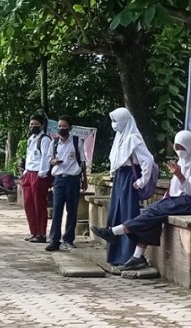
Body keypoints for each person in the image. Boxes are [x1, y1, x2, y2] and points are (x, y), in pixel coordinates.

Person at [92, 130, 191, 271]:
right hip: (188, 198)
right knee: (153, 212)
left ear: (189, 146)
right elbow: (176, 186)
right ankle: (137, 256)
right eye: (176, 147)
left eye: (182, 147)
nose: (179, 151)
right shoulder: (185, 159)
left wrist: (179, 175)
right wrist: (168, 194)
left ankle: (114, 232)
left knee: (155, 211)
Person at [95, 108, 155, 265]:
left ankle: (129, 255)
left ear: (124, 121)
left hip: (129, 178)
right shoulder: (120, 137)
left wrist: (142, 180)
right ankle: (115, 256)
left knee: (128, 213)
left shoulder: (133, 138)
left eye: (116, 121)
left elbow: (147, 160)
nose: (114, 124)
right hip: (119, 178)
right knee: (116, 213)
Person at [46, 116, 88, 251]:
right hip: (59, 179)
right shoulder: (54, 142)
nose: (61, 129)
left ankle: (69, 239)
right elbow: (49, 159)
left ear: (70, 128)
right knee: (57, 209)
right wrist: (54, 162)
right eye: (59, 126)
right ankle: (54, 240)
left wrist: (84, 179)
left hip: (73, 179)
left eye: (64, 126)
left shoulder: (76, 142)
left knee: (72, 210)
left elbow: (82, 161)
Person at [20, 110, 53, 243]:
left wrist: (42, 173)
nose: (33, 126)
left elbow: (46, 157)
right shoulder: (31, 139)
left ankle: (41, 233)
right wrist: (25, 172)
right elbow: (30, 156)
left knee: (39, 204)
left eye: (36, 124)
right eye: (31, 124)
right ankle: (33, 231)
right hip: (29, 173)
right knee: (28, 204)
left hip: (39, 174)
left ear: (42, 125)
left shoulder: (44, 140)